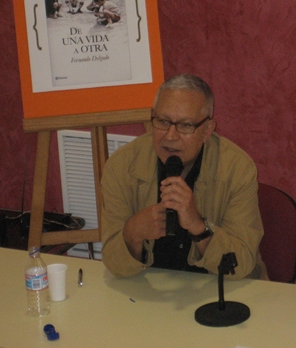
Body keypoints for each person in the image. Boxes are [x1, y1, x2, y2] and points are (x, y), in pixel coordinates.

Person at [101, 74, 266, 280]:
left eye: (186, 125)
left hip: (219, 289)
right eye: (162, 121)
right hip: (147, 290)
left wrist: (198, 227)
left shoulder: (237, 169)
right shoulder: (121, 166)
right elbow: (114, 264)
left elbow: (240, 266)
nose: (170, 136)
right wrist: (133, 234)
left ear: (207, 130)